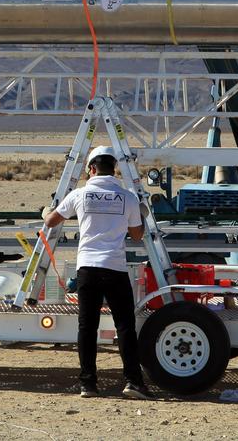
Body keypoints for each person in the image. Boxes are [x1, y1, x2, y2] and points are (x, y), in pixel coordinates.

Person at [43, 146, 151, 399]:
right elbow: (137, 235)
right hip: (114, 268)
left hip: (88, 269)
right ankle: (133, 382)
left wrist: (47, 211)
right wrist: (140, 216)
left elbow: (51, 222)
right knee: (124, 326)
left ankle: (88, 384)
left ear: (91, 169)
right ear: (113, 168)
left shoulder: (80, 195)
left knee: (87, 327)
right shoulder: (128, 198)